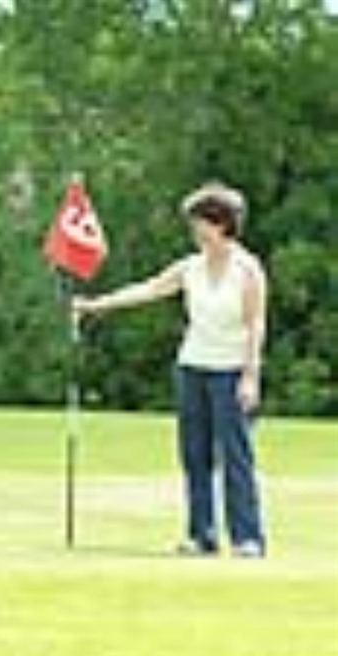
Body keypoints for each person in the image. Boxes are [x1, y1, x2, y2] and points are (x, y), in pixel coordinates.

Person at [73, 182, 268, 558]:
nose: (195, 230)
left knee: (236, 457)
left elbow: (255, 325)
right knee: (194, 455)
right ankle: (201, 535)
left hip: (230, 371)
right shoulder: (190, 267)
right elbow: (148, 289)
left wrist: (250, 376)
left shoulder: (248, 270)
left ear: (221, 224)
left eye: (200, 222)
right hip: (192, 367)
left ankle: (248, 537)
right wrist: (96, 305)